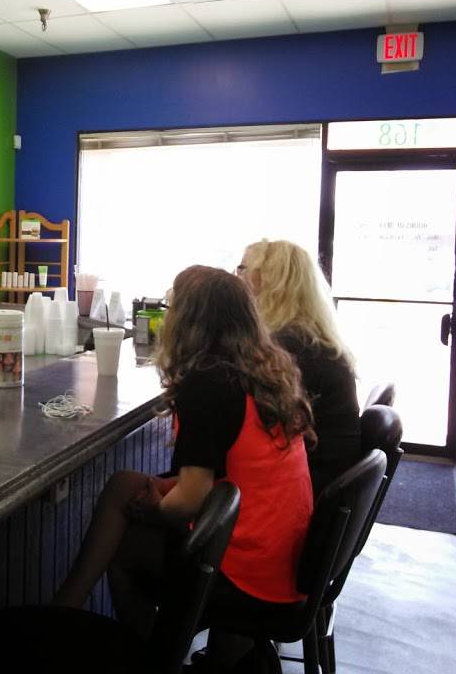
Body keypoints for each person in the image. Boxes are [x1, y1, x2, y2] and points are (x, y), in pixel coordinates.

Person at [52, 266, 315, 668]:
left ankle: (150, 657)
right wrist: (163, 493)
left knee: (123, 547)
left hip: (244, 571)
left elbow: (191, 500)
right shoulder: (265, 371)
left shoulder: (209, 381)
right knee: (124, 484)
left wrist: (153, 509)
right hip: (286, 562)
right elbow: (238, 469)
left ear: (188, 320)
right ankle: (63, 616)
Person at [237, 239, 361, 494]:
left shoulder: (290, 348)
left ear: (269, 280)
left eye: (242, 269)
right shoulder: (308, 337)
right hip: (325, 475)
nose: (236, 277)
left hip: (307, 485)